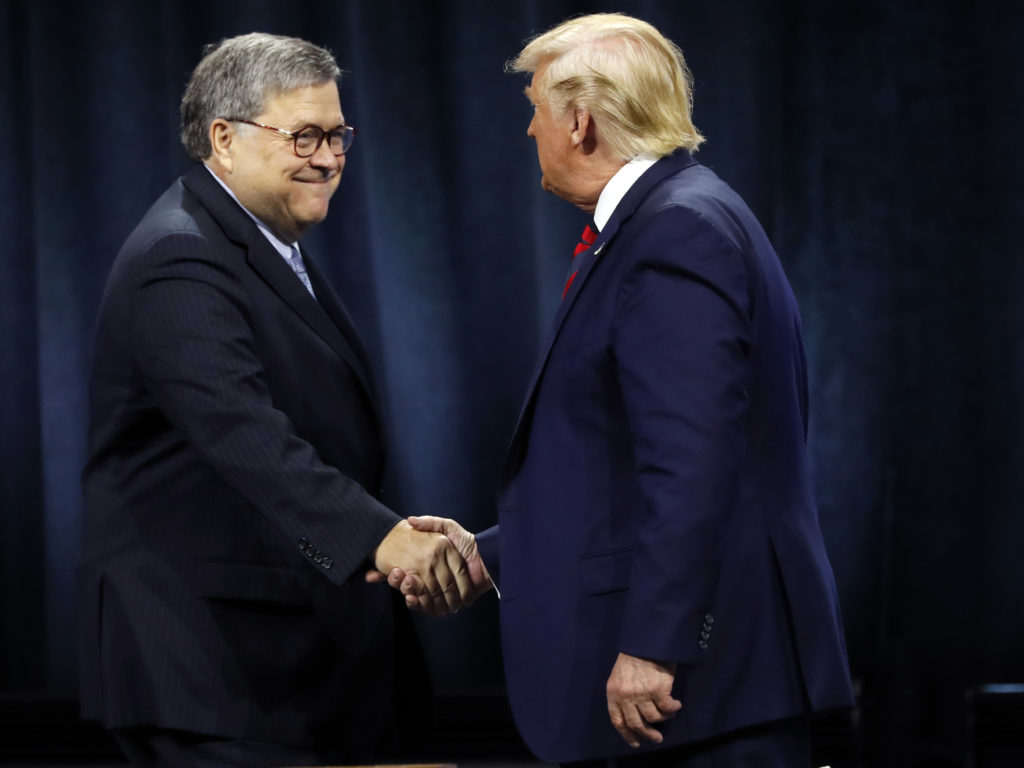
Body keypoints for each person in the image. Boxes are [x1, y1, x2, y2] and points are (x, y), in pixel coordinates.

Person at [388, 12, 855, 767]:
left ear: (579, 124)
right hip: (711, 690)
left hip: (702, 695)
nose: (529, 131)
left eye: (535, 110)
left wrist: (656, 646)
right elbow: (621, 465)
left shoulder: (675, 233)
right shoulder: (676, 216)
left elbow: (693, 463)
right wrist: (490, 558)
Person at [79, 32, 477, 768]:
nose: (328, 158)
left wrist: (390, 534)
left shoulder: (264, 245)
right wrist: (383, 539)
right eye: (304, 135)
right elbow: (244, 436)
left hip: (293, 669)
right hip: (213, 674)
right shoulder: (181, 255)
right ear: (223, 139)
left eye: (337, 135)